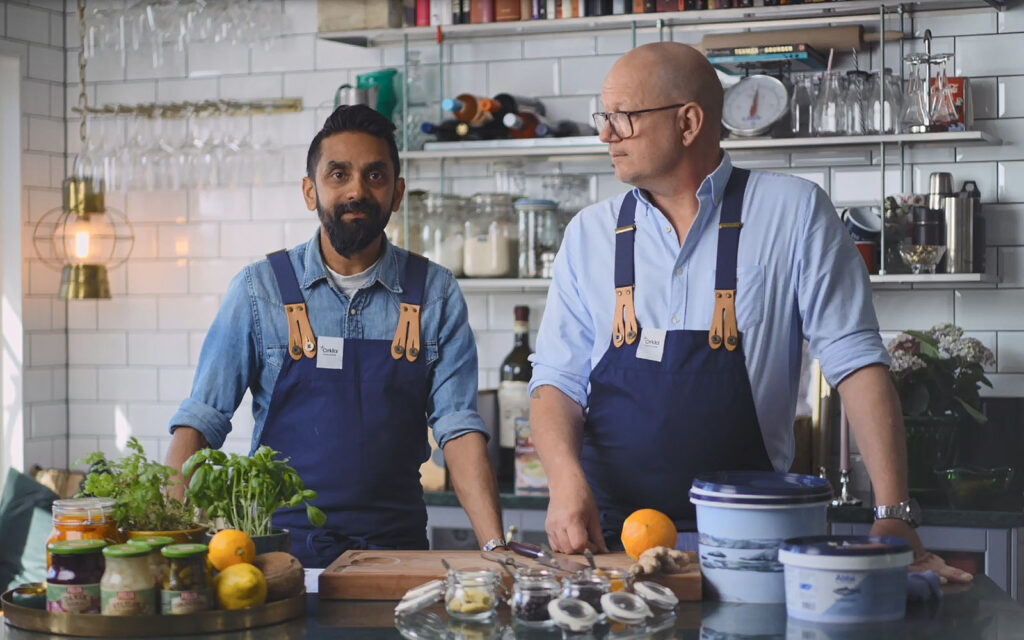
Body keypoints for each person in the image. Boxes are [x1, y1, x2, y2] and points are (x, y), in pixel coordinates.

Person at [528, 42, 971, 584]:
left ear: (688, 121)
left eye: (622, 118)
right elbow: (556, 384)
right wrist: (565, 482)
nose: (606, 135)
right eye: (606, 118)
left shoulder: (794, 212)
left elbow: (855, 362)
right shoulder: (588, 234)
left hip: (749, 545)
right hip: (606, 542)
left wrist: (893, 512)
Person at [165, 105, 505, 568]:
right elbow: (201, 421)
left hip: (398, 558)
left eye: (375, 176)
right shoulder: (257, 289)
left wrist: (496, 550)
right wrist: (166, 542)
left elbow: (459, 428)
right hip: (277, 558)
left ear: (397, 192)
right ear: (311, 191)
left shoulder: (436, 292)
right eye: (338, 174)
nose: (356, 191)